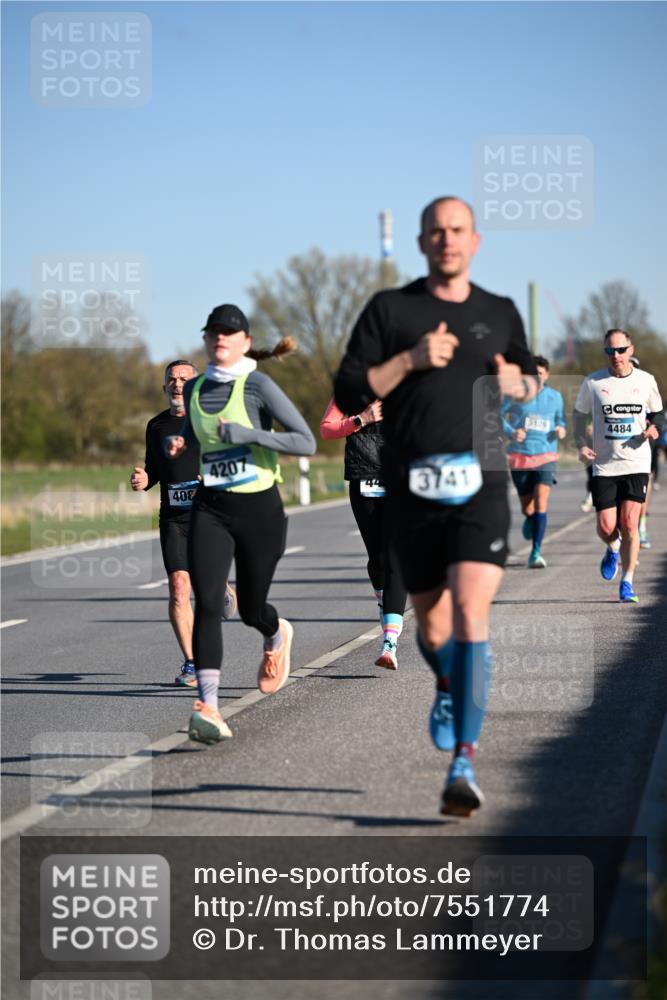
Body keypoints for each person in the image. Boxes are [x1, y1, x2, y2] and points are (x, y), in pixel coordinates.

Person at [334, 196, 537, 817]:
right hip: (412, 487)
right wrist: (410, 360)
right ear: (422, 243)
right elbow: (346, 390)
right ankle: (449, 685)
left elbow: (530, 378)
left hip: (480, 484)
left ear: (474, 240)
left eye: (457, 230)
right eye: (436, 232)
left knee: (473, 618)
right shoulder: (391, 310)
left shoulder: (499, 312)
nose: (446, 240)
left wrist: (517, 384)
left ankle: (463, 763)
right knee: (436, 629)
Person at [166, 304, 316, 744]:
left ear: (245, 342)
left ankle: (275, 632)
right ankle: (208, 707)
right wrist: (182, 442)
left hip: (259, 510)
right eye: (213, 333)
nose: (220, 339)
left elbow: (304, 440)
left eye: (229, 334)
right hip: (210, 507)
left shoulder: (259, 386)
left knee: (251, 608)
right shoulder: (193, 389)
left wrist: (250, 434)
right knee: (209, 601)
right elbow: (200, 434)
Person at [130, 360, 236, 688]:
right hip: (173, 518)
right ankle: (192, 663)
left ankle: (220, 587)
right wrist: (145, 478)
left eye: (184, 379)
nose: (177, 384)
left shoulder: (210, 422)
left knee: (206, 586)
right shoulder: (156, 426)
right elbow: (155, 468)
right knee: (179, 589)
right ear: (164, 387)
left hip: (210, 516)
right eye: (171, 380)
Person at [573, 329, 663, 603]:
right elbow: (578, 416)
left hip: (636, 462)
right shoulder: (593, 382)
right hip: (605, 464)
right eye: (610, 351)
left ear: (631, 350)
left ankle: (627, 582)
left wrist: (654, 428)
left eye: (621, 350)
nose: (616, 356)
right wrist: (580, 445)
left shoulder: (646, 381)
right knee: (605, 526)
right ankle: (612, 547)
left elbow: (657, 413)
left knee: (630, 524)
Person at [320, 396, 408, 669]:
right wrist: (361, 419)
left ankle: (389, 643)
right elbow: (327, 429)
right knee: (378, 558)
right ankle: (384, 601)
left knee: (396, 559)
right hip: (363, 479)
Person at [501, 355, 566, 568]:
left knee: (541, 502)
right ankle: (531, 520)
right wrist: (511, 432)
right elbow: (496, 416)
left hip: (546, 454)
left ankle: (536, 552)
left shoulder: (555, 397)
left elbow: (561, 419)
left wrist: (561, 428)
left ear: (546, 374)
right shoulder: (515, 395)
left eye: (540, 373)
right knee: (528, 509)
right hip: (520, 455)